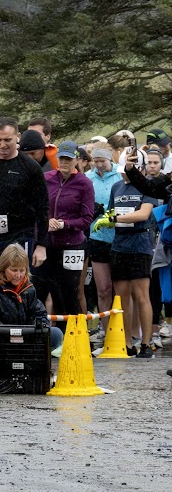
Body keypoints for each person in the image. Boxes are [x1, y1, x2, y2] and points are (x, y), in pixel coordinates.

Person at [0, 244, 61, 391]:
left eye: (22, 270)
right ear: (3, 269)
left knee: (54, 335)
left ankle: (31, 368)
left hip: (22, 336)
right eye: (14, 270)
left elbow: (39, 313)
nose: (19, 275)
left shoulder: (28, 288)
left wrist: (37, 327)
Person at [101, 158, 158, 357]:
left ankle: (145, 342)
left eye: (128, 170)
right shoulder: (116, 187)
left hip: (140, 243)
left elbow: (143, 215)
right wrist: (105, 220)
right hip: (119, 244)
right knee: (122, 296)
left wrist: (116, 219)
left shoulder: (146, 187)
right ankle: (126, 342)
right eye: (122, 170)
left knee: (141, 295)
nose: (124, 174)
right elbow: (110, 212)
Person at [0, 118, 49, 268]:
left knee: (15, 285)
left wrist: (41, 245)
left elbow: (43, 208)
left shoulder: (31, 167)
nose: (2, 145)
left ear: (18, 137)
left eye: (7, 140)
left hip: (19, 237)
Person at [38, 141, 95, 326]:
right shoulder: (47, 179)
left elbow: (87, 219)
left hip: (73, 246)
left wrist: (64, 224)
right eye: (62, 158)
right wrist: (46, 221)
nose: (64, 162)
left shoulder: (84, 184)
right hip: (48, 244)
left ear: (77, 160)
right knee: (47, 289)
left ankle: (76, 337)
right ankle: (51, 338)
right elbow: (37, 208)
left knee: (70, 292)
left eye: (69, 159)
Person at [85, 145, 123, 342]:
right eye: (97, 161)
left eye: (103, 161)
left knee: (120, 288)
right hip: (97, 237)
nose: (100, 165)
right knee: (103, 288)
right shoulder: (89, 178)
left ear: (111, 161)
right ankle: (105, 330)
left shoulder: (119, 176)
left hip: (119, 237)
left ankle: (121, 333)